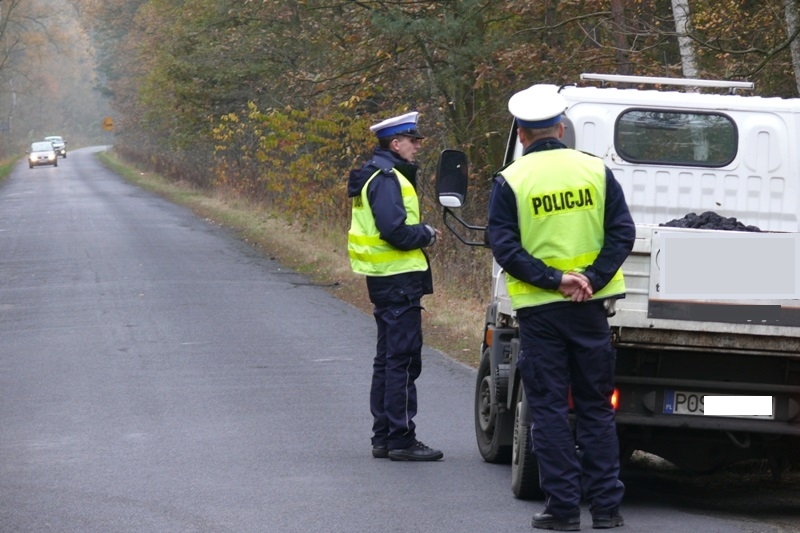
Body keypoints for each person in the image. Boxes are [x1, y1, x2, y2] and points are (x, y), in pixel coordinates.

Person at [487, 86, 635, 530]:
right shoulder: (596, 171)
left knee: (549, 409)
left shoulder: (511, 179)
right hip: (590, 308)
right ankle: (607, 511)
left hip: (540, 313)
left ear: (522, 133)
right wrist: (590, 278)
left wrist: (554, 279)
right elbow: (621, 234)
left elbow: (505, 248)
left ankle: (563, 510)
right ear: (561, 128)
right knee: (595, 408)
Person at [347, 111, 443, 462]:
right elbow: (395, 231)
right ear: (395, 143)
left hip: (385, 279)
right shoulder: (387, 178)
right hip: (398, 280)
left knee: (388, 360)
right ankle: (400, 438)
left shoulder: (374, 173)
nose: (417, 146)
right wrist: (427, 234)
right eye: (412, 140)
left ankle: (384, 436)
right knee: (401, 361)